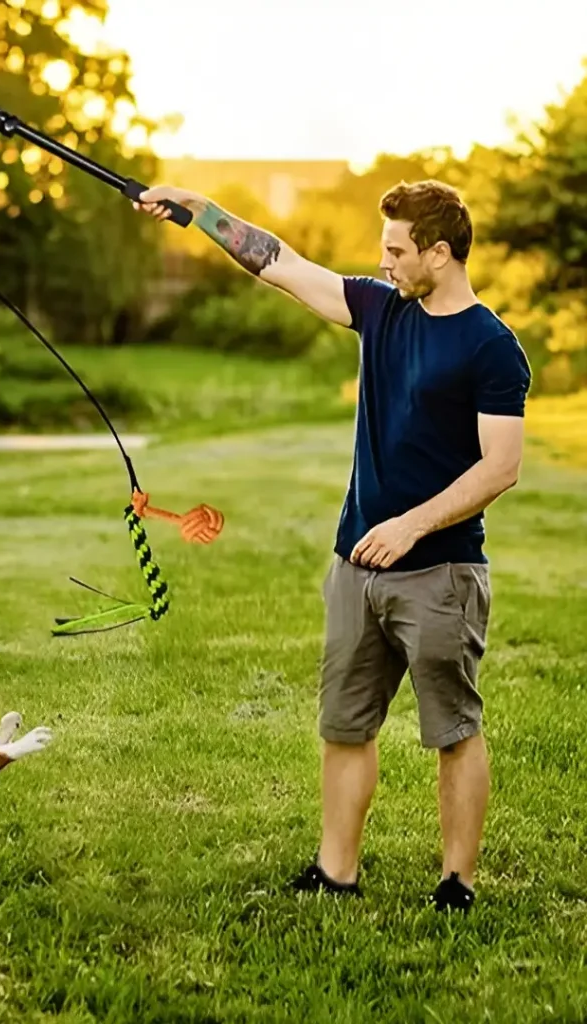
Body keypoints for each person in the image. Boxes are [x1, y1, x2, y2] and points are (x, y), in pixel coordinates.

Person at [133, 179, 531, 912]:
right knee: (345, 727)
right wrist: (197, 208)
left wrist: (413, 524)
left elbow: (500, 467)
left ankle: (457, 883)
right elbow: (280, 262)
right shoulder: (381, 311)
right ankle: (336, 871)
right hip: (355, 567)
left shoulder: (491, 346)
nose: (382, 262)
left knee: (454, 730)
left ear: (439, 254)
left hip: (440, 573)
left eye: (396, 249)